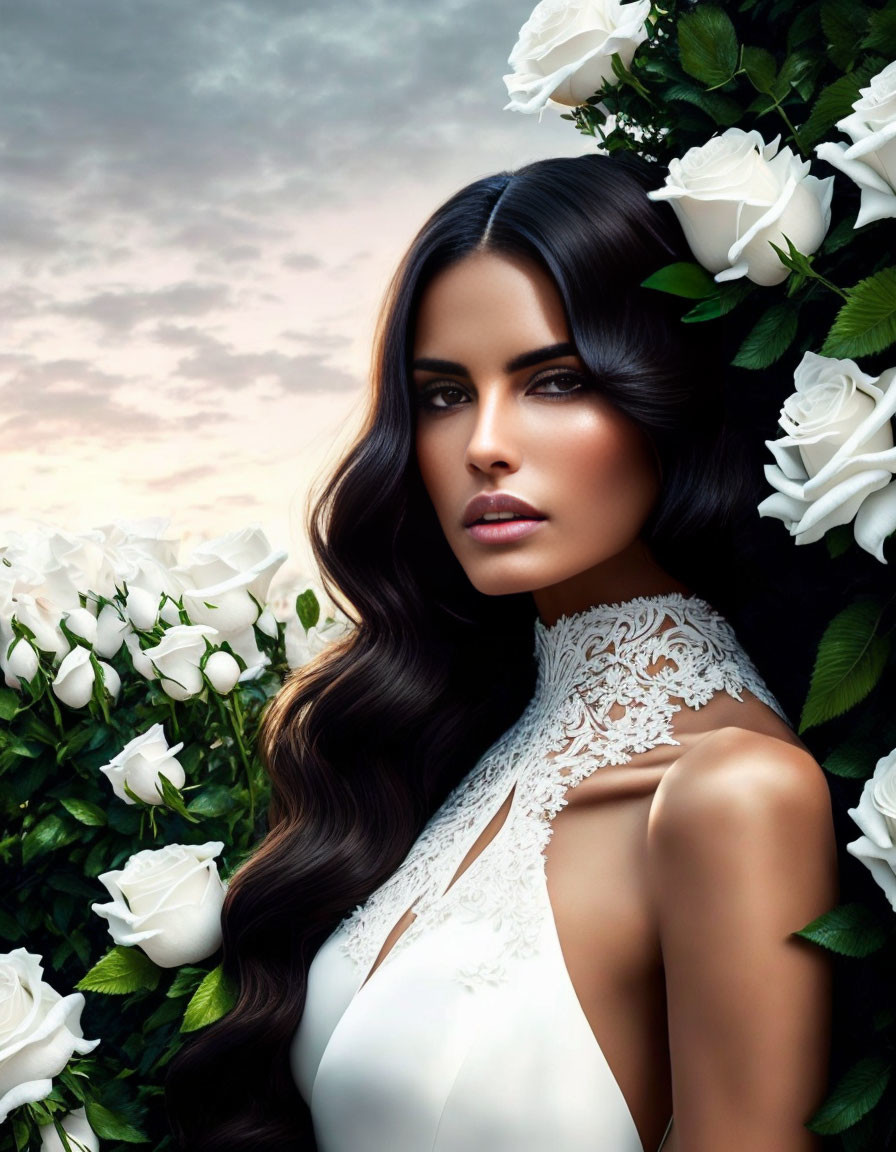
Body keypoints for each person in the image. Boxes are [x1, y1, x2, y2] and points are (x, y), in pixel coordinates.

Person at [165, 153, 839, 1152]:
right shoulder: (463, 745)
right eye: (442, 395)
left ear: (665, 389)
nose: (482, 443)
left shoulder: (731, 796)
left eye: (553, 380)